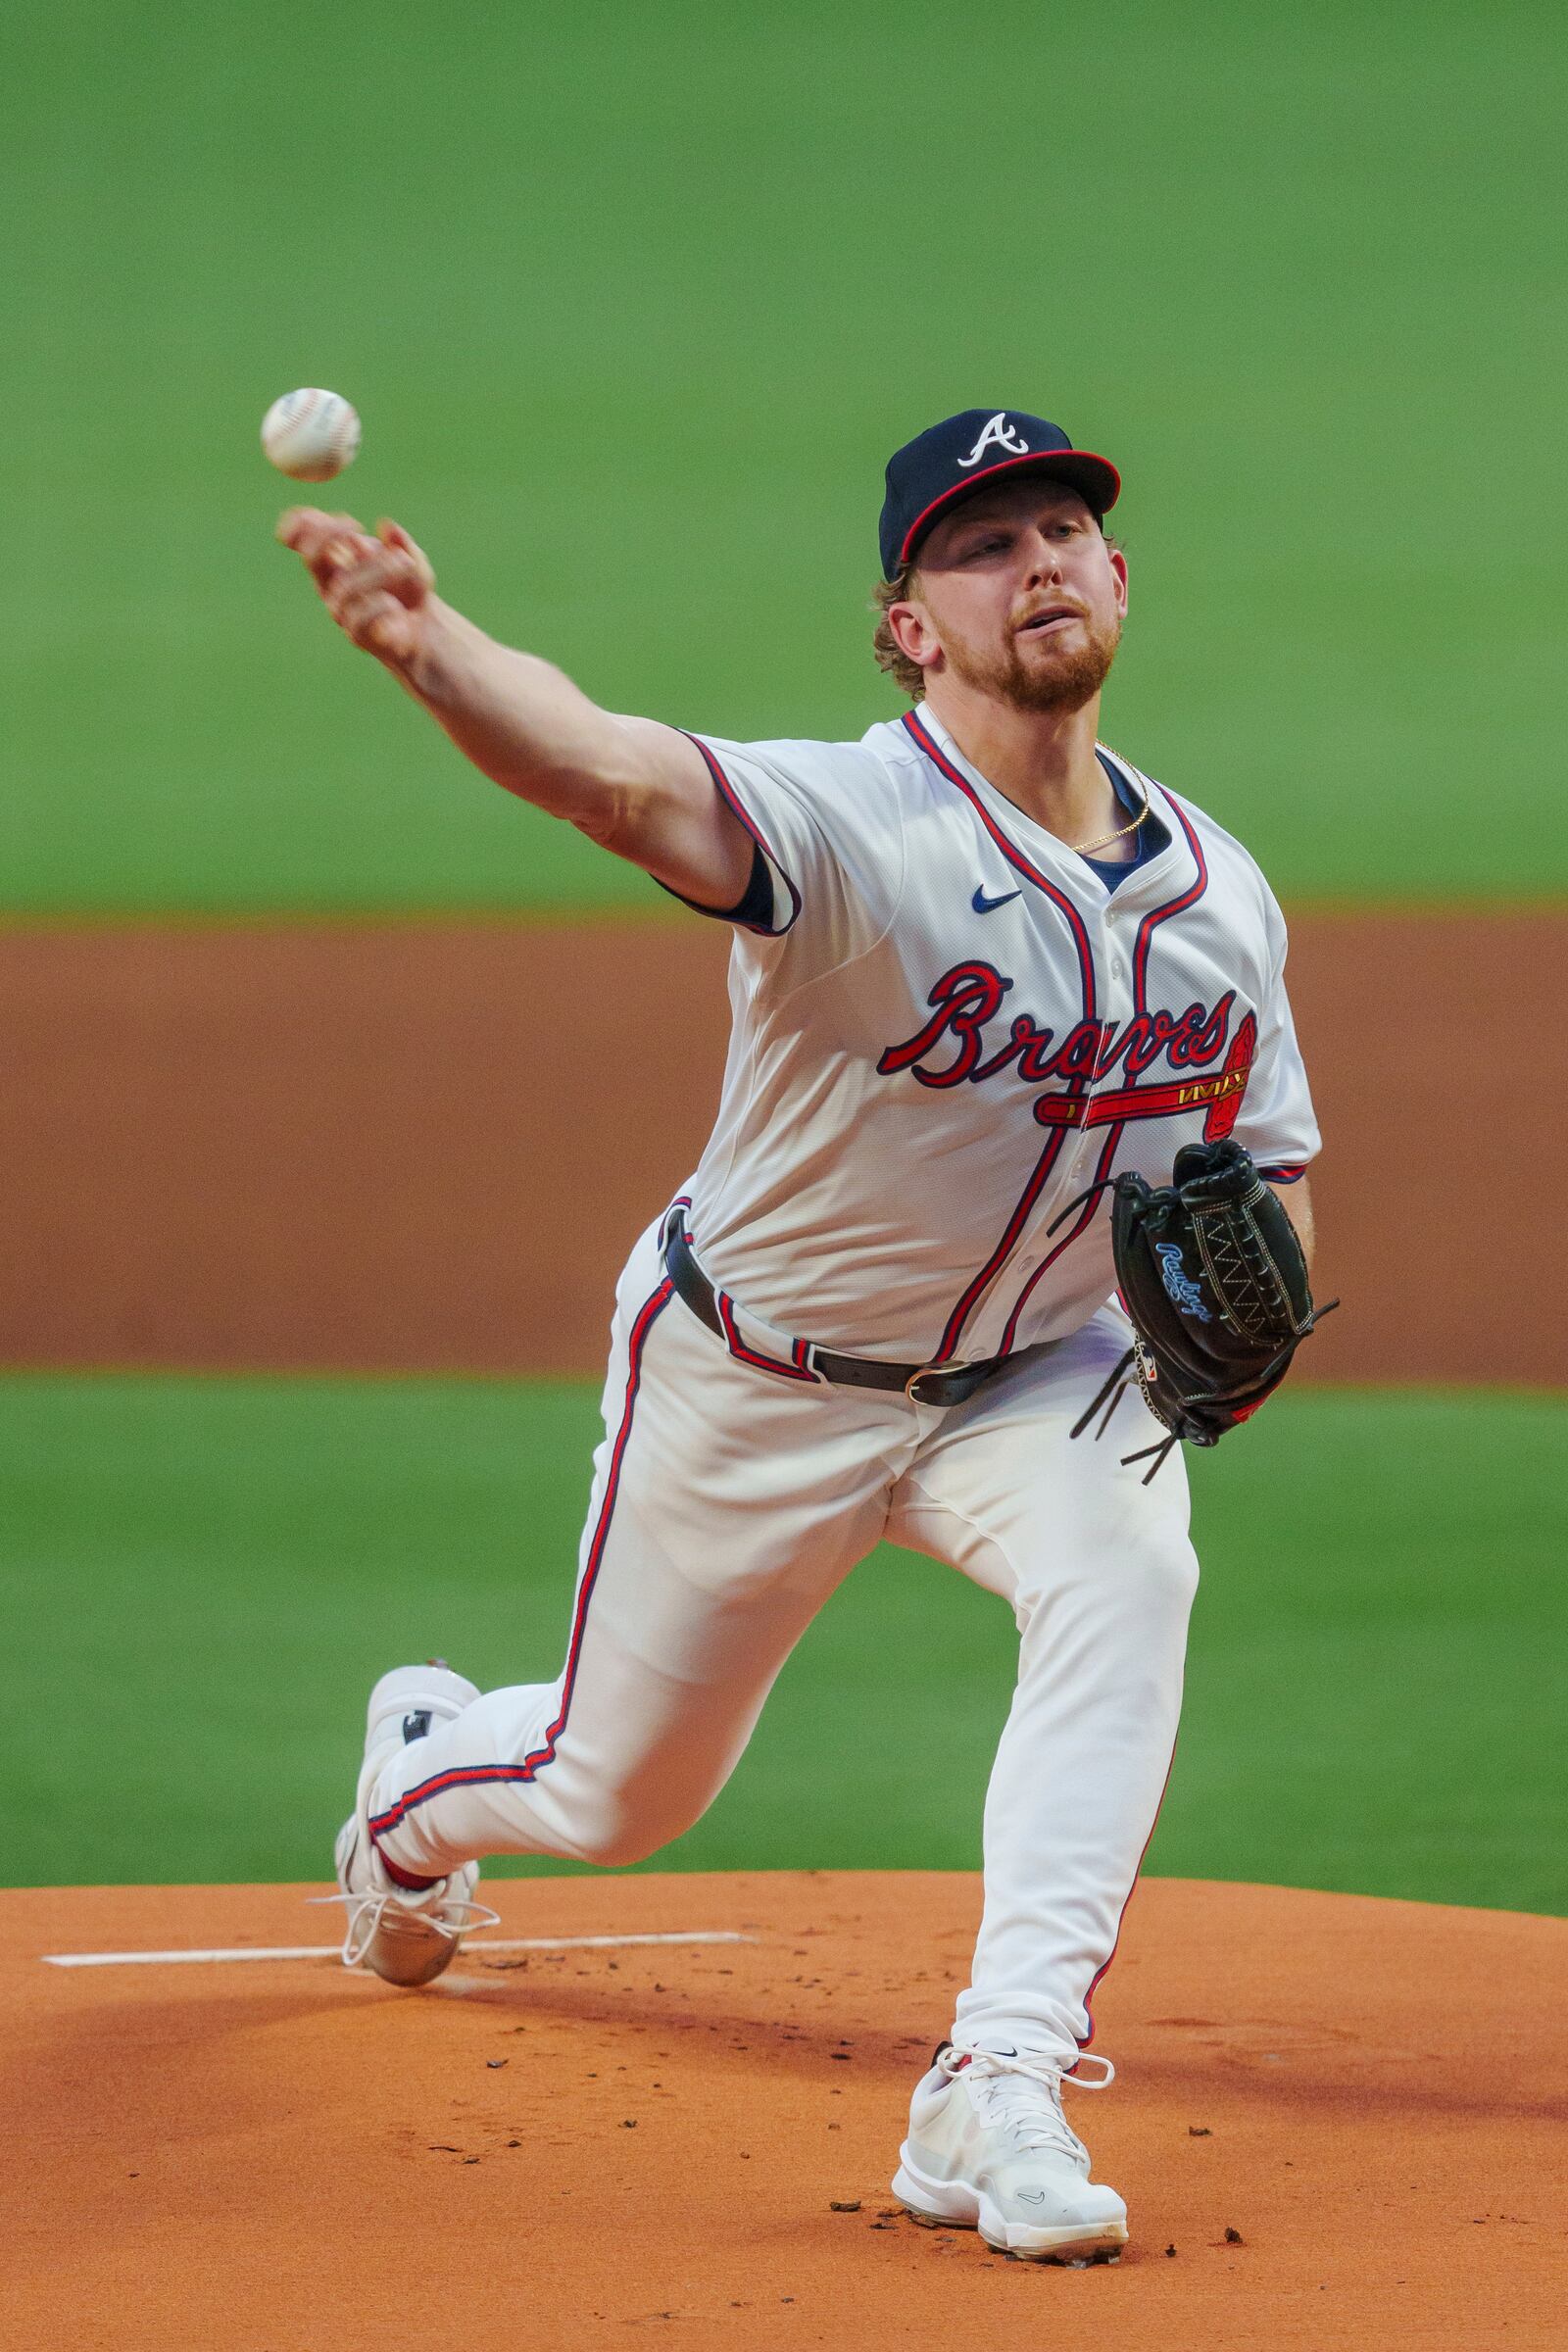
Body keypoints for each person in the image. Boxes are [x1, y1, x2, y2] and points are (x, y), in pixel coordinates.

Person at [282, 408, 1319, 2266]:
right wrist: (435, 648)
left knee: (1133, 1564)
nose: (1041, 563)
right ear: (905, 624)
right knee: (617, 1793)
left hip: (1038, 1386)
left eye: (1067, 528)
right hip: (759, 1377)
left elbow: (1273, 1171)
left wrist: (1250, 1328)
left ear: (1121, 574)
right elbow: (613, 776)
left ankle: (997, 2083)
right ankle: (414, 1782)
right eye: (983, 546)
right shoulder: (854, 829)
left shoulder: (1218, 897)